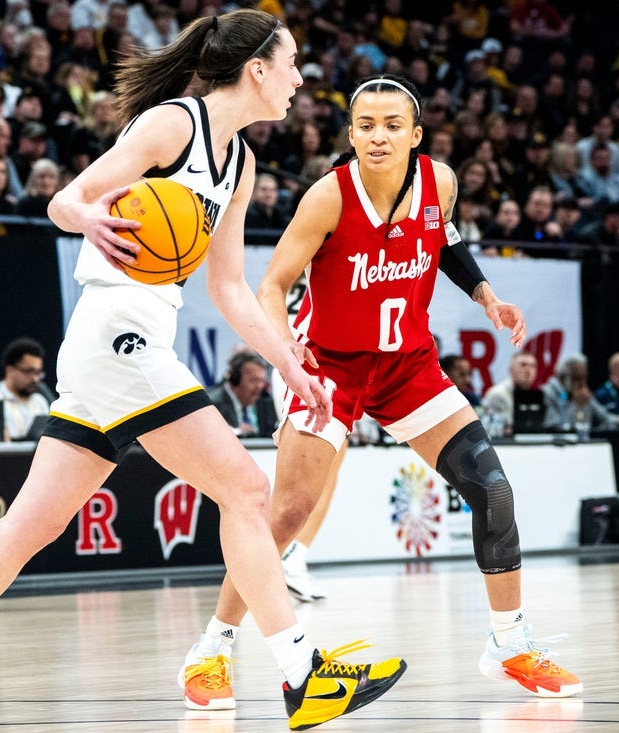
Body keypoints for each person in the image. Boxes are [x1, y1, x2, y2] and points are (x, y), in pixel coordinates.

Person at [0, 12, 405, 733]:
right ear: (257, 69)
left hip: (123, 341)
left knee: (30, 523)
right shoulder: (171, 124)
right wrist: (88, 220)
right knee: (245, 489)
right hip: (118, 330)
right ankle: (303, 674)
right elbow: (63, 199)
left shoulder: (237, 163)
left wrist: (287, 361)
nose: (302, 78)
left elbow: (230, 289)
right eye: (293, 62)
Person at [181, 74, 581, 718]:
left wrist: (485, 296)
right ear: (350, 133)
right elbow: (272, 286)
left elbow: (444, 238)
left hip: (407, 366)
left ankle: (510, 643)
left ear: (415, 135)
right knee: (284, 516)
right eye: (365, 124)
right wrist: (289, 358)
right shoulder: (327, 198)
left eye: (392, 124)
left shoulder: (440, 182)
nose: (378, 135)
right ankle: (211, 650)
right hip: (330, 368)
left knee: (492, 488)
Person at [0, 337, 50, 441]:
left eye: (38, 373)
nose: (35, 379)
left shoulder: (40, 401)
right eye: (29, 371)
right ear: (10, 370)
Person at [206, 349, 278, 438]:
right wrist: (237, 431)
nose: (259, 387)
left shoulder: (265, 402)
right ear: (235, 379)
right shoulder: (211, 403)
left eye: (262, 381)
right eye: (253, 380)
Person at [542, 353, 617, 433]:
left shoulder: (582, 391)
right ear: (562, 377)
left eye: (584, 378)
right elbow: (556, 426)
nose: (582, 383)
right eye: (577, 378)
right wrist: (575, 405)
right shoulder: (547, 393)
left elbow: (604, 417)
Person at [481, 350, 541, 435]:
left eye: (532, 366)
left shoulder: (537, 394)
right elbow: (500, 431)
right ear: (511, 369)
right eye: (523, 365)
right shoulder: (498, 395)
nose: (528, 371)